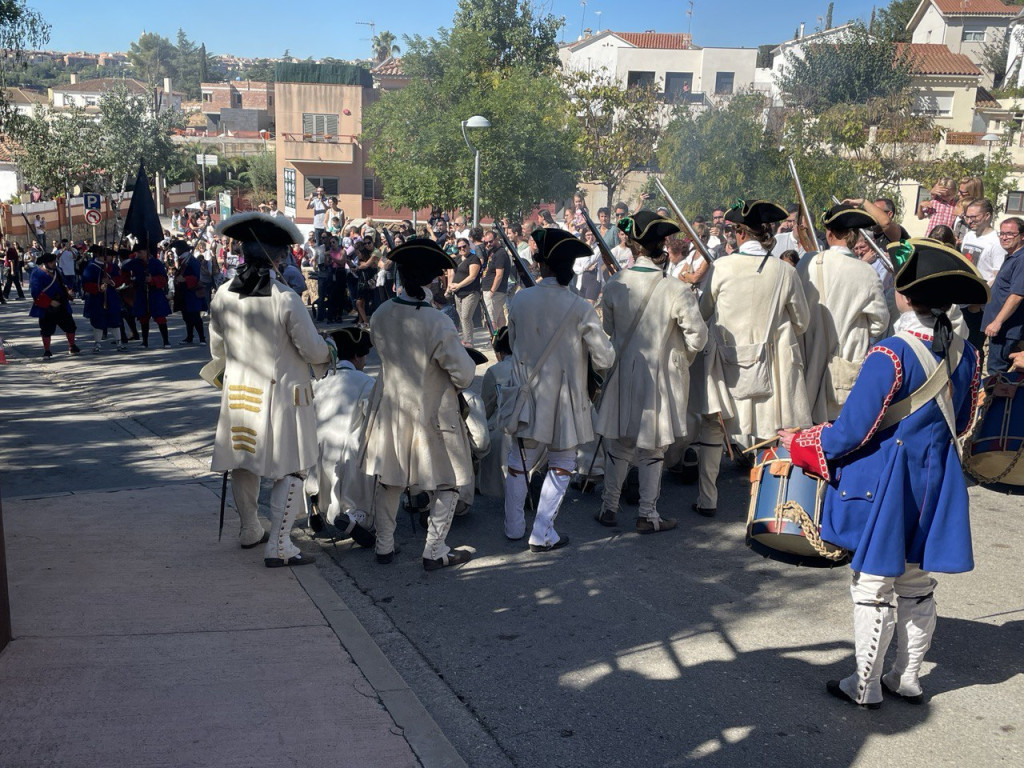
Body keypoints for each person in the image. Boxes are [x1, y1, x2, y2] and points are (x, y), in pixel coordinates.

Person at [778, 237, 987, 709]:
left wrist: (802, 442)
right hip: (938, 478)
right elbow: (968, 418)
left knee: (873, 584)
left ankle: (865, 685)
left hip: (890, 479)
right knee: (916, 581)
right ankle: (907, 678)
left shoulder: (890, 353)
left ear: (905, 295)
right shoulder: (968, 354)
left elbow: (851, 431)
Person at [209, 212, 336, 568]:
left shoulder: (221, 294)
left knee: (243, 464)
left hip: (238, 395)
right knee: (293, 467)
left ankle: (250, 528)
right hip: (283, 397)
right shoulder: (285, 298)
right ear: (278, 258)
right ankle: (279, 545)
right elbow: (312, 350)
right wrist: (329, 353)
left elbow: (217, 350)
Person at [362, 239, 477, 571]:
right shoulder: (437, 320)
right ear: (433, 279)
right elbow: (466, 374)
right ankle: (435, 549)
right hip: (432, 411)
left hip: (390, 406)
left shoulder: (382, 313)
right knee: (448, 482)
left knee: (390, 479)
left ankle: (384, 546)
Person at [594, 211, 707, 533]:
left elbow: (610, 330)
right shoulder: (676, 289)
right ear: (660, 247)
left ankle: (608, 507)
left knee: (620, 445)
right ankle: (647, 514)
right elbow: (698, 336)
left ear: (633, 247)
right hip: (658, 376)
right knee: (652, 448)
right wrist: (678, 359)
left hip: (623, 371)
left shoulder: (615, 284)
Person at [696, 200, 812, 515]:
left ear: (740, 232)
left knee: (713, 426)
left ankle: (708, 500)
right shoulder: (784, 271)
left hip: (725, 363)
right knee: (771, 429)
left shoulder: (722, 266)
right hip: (770, 365)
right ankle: (768, 503)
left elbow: (704, 312)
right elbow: (802, 322)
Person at [503, 228, 615, 551]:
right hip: (565, 399)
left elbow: (512, 343)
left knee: (518, 460)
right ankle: (542, 533)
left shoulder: (520, 299)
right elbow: (605, 359)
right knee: (562, 463)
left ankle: (513, 527)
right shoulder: (581, 308)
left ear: (545, 266)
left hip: (527, 394)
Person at [798, 204, 890, 422]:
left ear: (829, 234)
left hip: (807, 360)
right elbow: (880, 323)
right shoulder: (866, 272)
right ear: (854, 237)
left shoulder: (807, 263)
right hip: (845, 366)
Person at [307, 327, 376, 548]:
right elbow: (375, 419)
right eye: (364, 356)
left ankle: (317, 507)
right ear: (356, 356)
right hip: (349, 454)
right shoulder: (366, 381)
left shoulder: (317, 382)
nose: (365, 361)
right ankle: (355, 517)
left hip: (317, 453)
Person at [982, 216, 1024, 373]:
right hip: (999, 329)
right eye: (1002, 233)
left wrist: (997, 322)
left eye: (1010, 234)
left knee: (997, 372)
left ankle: (993, 398)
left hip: (1006, 330)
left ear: (1022, 235)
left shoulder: (1021, 259)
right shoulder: (1012, 256)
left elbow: (1017, 295)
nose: (1004, 237)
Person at [479, 326, 515, 498]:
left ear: (499, 351)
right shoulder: (536, 365)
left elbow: (486, 407)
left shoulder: (495, 371)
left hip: (506, 430)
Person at [28, 250, 80, 359]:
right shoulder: (37, 273)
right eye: (52, 262)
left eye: (54, 262)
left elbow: (65, 283)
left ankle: (72, 346)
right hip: (46, 306)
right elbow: (35, 292)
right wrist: (49, 302)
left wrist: (69, 291)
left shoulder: (58, 271)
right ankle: (47, 351)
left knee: (70, 326)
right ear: (46, 263)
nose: (54, 264)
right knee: (46, 330)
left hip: (62, 304)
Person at [123, 242, 172, 349]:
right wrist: (129, 281)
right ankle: (145, 342)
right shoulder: (135, 262)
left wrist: (152, 280)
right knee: (143, 318)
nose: (138, 254)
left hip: (155, 294)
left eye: (139, 252)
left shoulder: (156, 263)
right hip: (141, 293)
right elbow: (123, 270)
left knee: (160, 318)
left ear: (146, 252)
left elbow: (164, 279)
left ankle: (166, 341)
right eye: (137, 252)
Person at [81, 245, 128, 353]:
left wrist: (111, 281)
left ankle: (119, 343)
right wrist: (98, 287)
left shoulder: (112, 267)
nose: (112, 258)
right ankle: (97, 343)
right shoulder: (91, 267)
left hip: (111, 296)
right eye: (110, 256)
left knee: (115, 320)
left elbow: (119, 279)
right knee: (98, 320)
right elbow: (86, 284)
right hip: (96, 298)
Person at [446, 236, 482, 344]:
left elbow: (472, 276)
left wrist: (459, 285)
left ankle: (468, 341)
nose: (462, 249)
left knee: (466, 316)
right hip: (458, 293)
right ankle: (467, 338)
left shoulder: (474, 258)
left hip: (471, 292)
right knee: (462, 317)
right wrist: (449, 287)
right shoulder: (457, 258)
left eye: (464, 246)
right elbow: (451, 273)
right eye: (459, 247)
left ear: (468, 246)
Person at [171, 240, 208, 345]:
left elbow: (198, 277)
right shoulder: (183, 260)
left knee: (195, 316)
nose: (176, 251)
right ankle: (189, 337)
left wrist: (185, 279)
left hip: (192, 293)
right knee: (187, 317)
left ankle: (202, 338)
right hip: (184, 293)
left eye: (177, 249)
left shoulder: (192, 261)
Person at [481, 228, 510, 329]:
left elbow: (499, 275)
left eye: (491, 241)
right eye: (486, 242)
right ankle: (501, 340)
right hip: (493, 290)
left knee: (491, 319)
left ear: (496, 239)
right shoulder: (493, 252)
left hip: (494, 291)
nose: (488, 244)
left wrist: (492, 291)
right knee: (499, 317)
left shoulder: (500, 253)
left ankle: (493, 342)